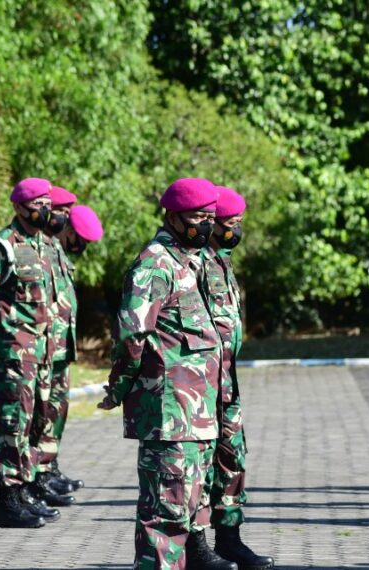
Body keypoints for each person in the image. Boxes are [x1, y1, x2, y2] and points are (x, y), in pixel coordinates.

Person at [97, 178, 236, 570]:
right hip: (170, 412)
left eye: (211, 217)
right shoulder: (155, 264)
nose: (207, 225)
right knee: (166, 518)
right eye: (198, 217)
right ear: (172, 216)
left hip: (201, 411)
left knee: (192, 509)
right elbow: (132, 335)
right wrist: (119, 387)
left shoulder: (190, 261)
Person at [0, 177, 68, 528]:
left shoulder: (43, 245)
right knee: (12, 423)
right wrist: (7, 334)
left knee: (33, 422)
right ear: (18, 207)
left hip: (42, 353)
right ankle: (8, 501)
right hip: (15, 353)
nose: (44, 209)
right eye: (36, 203)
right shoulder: (2, 246)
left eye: (47, 202)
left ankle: (24, 491)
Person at [205, 187, 274, 570]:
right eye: (228, 224)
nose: (234, 231)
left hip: (226, 381)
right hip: (198, 385)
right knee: (199, 466)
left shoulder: (222, 261)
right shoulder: (193, 262)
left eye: (237, 224)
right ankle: (197, 546)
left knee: (232, 459)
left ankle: (229, 539)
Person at [26, 186, 85, 506]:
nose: (60, 216)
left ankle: (47, 467)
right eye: (59, 210)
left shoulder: (53, 249)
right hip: (37, 347)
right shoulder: (33, 248)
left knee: (55, 410)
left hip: (59, 346)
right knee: (35, 414)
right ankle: (33, 475)